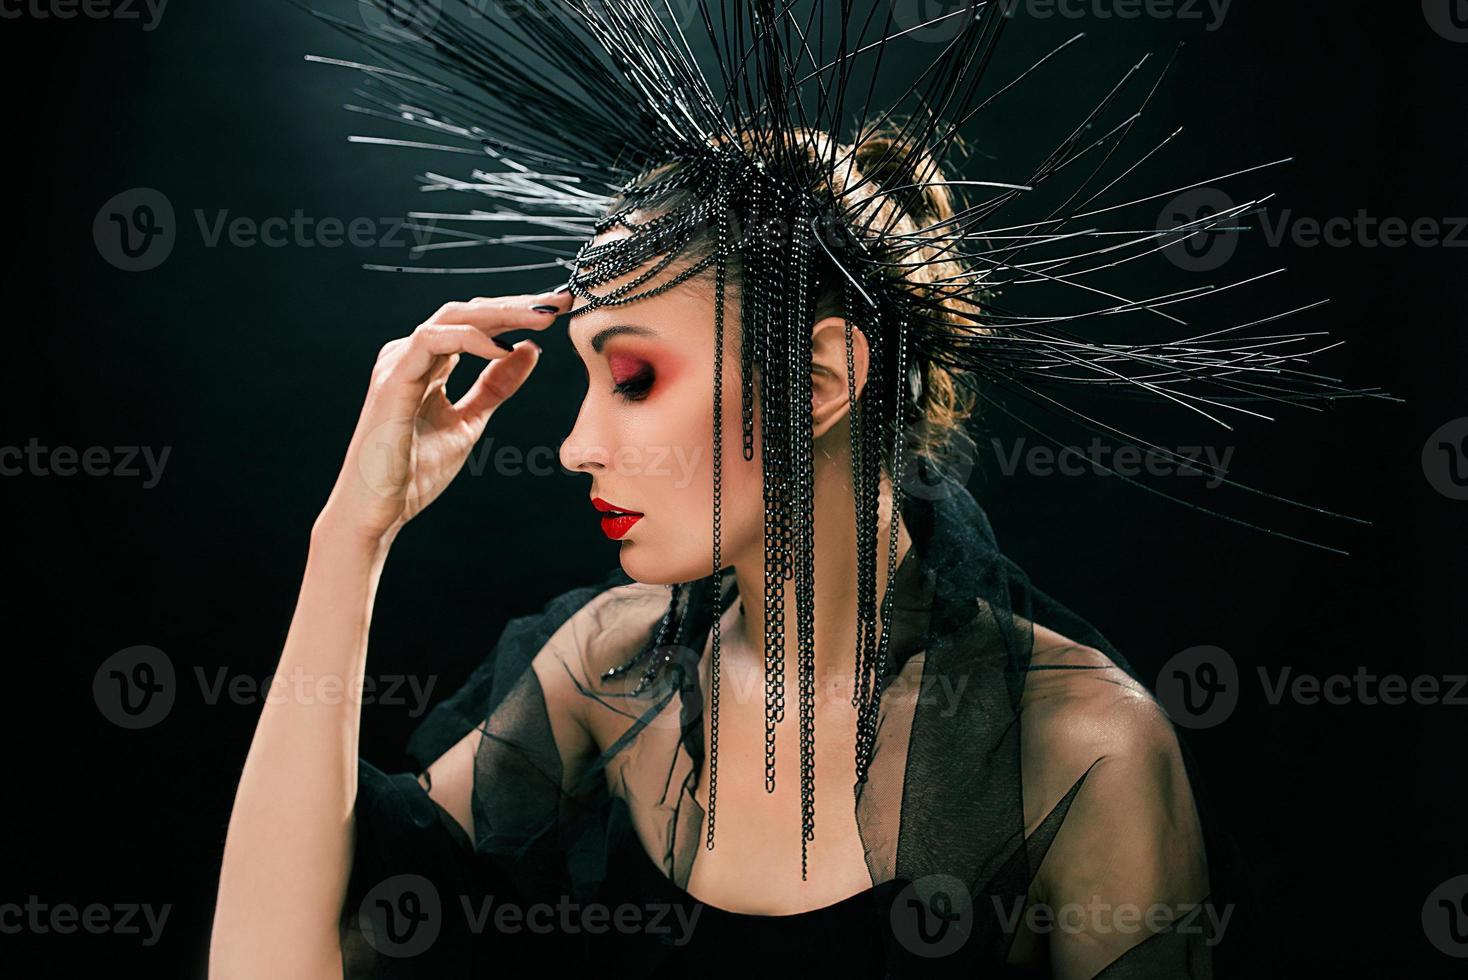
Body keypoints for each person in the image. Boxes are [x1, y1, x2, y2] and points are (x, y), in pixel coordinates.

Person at [207, 121, 1219, 977]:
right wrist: (351, 533)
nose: (574, 445)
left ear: (821, 379)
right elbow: (273, 958)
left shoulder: (1080, 747)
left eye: (635, 377)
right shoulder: (605, 672)